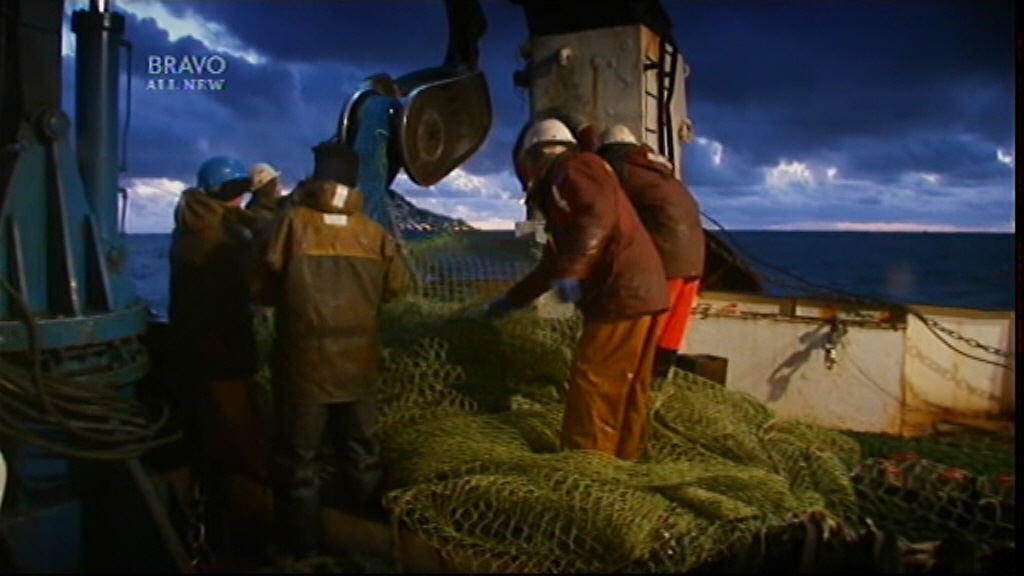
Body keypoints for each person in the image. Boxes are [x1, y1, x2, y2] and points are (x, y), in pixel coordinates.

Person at [251, 143, 411, 562]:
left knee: (298, 465)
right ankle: (360, 541)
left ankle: (301, 552)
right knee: (361, 456)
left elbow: (259, 289)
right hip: (359, 366)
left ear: (317, 177)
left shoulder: (290, 225)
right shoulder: (373, 233)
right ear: (353, 183)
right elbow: (395, 289)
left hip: (303, 367)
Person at [488, 118, 668, 462]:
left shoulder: (574, 169)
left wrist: (572, 275)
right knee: (629, 384)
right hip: (642, 289)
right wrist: (513, 300)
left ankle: (585, 465)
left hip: (622, 291)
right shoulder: (568, 183)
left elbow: (596, 218)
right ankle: (623, 459)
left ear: (533, 158)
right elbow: (552, 264)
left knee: (594, 379)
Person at [167, 156, 271, 551]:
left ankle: (213, 511)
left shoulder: (190, 223)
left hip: (192, 348)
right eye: (238, 192)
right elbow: (258, 284)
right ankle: (259, 523)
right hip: (223, 349)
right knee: (243, 433)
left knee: (210, 430)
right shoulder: (224, 239)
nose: (241, 199)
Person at [596, 125, 706, 379]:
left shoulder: (617, 168)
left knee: (645, 328)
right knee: (671, 331)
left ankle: (633, 382)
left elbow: (605, 216)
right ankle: (657, 381)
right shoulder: (658, 170)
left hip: (667, 259)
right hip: (695, 259)